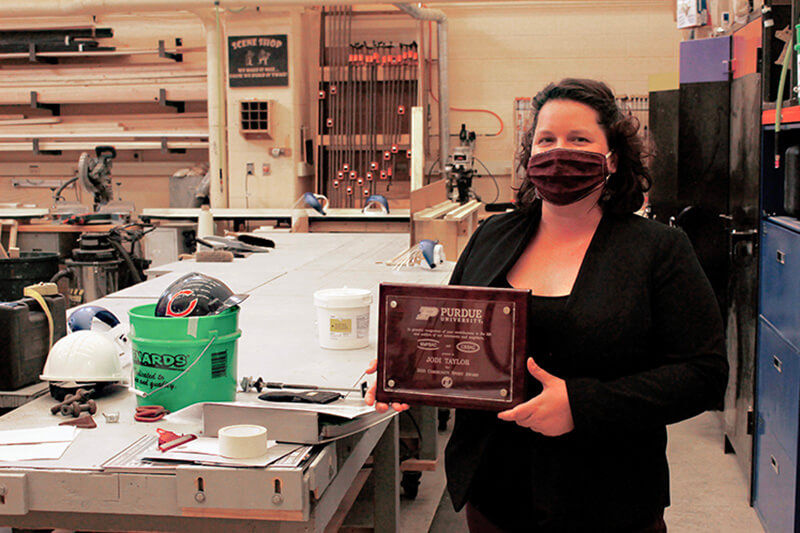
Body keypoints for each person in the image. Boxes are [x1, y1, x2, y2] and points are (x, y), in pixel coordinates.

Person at [366, 78, 728, 532]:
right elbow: (452, 328)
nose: (560, 153)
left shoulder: (658, 249)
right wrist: (406, 367)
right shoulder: (493, 236)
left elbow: (704, 372)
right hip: (495, 495)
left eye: (579, 140)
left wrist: (584, 404)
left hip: (609, 499)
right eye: (546, 140)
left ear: (612, 158)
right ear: (531, 155)